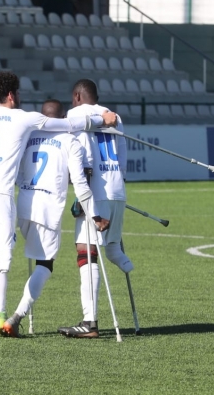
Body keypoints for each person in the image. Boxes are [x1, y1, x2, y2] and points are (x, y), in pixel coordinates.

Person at [0, 72, 118, 336]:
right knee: (38, 263)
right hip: (29, 203)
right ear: (11, 95)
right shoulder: (28, 120)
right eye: (18, 93)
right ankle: (14, 317)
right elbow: (72, 129)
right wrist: (100, 120)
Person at [1, 99, 110, 338]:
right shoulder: (70, 141)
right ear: (63, 118)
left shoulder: (28, 137)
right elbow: (80, 182)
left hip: (24, 205)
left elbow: (17, 173)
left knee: (39, 261)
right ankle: (16, 317)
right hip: (48, 208)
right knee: (45, 265)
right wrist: (95, 215)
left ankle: (14, 315)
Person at [58, 79, 134, 339]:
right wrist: (118, 183)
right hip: (117, 191)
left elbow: (84, 159)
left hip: (96, 192)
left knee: (86, 251)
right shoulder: (115, 116)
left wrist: (84, 197)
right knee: (111, 245)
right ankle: (123, 261)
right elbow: (122, 155)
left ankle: (89, 323)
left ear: (77, 96)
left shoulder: (75, 115)